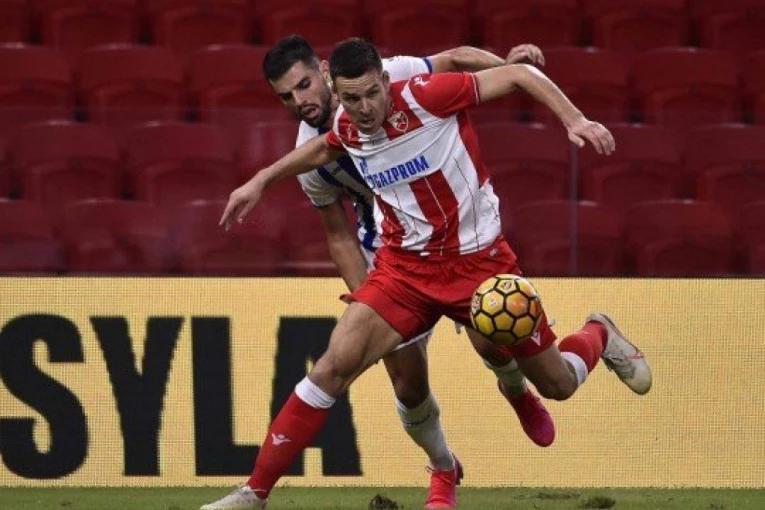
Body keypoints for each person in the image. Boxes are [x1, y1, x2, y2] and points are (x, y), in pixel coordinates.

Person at [209, 38, 652, 510]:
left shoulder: (424, 93)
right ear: (339, 92)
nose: (364, 109)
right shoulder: (344, 124)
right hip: (404, 270)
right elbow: (321, 152)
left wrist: (574, 119)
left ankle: (598, 333)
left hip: (478, 262)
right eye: (352, 99)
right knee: (334, 366)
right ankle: (254, 493)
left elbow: (518, 76)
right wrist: (260, 181)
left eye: (371, 94)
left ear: (384, 80)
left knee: (557, 384)